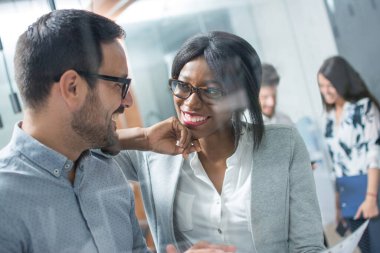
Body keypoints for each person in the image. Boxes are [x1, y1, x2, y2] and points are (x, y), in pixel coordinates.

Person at [0, 9, 235, 253]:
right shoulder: (5, 200)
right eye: (120, 85)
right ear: (72, 88)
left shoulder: (106, 173)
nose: (128, 101)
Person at [114, 31, 325, 253]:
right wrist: (143, 138)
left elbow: (308, 247)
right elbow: (79, 146)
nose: (191, 103)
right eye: (183, 86)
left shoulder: (284, 145)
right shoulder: (151, 155)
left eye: (212, 91)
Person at [317, 55, 380, 253]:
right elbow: (335, 163)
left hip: (370, 189)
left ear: (341, 82)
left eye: (330, 85)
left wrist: (371, 198)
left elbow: (374, 153)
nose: (325, 91)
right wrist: (338, 205)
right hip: (347, 197)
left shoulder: (364, 108)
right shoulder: (327, 118)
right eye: (321, 85)